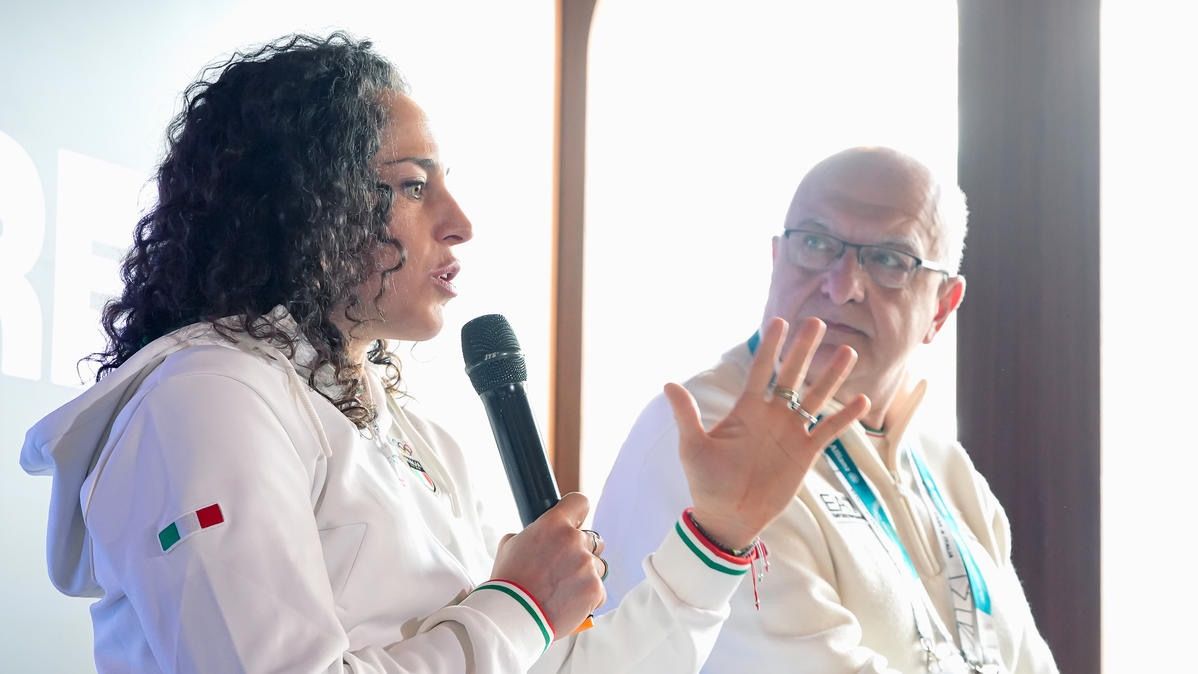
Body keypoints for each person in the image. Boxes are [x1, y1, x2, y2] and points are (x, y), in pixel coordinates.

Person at [19, 33, 870, 673]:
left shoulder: (412, 433)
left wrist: (717, 536)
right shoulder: (209, 398)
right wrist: (518, 604)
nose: (459, 221)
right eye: (414, 185)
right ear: (303, 202)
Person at [593, 147, 1059, 673]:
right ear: (777, 261)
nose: (842, 287)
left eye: (888, 259)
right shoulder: (704, 438)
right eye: (815, 244)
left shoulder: (947, 468)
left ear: (942, 308)